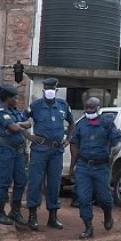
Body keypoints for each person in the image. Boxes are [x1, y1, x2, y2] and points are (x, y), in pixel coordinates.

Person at [70, 97, 121, 239]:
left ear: (98, 108)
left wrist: (114, 151)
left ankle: (107, 214)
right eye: (87, 108)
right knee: (83, 198)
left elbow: (117, 141)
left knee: (104, 198)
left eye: (92, 108)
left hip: (101, 166)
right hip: (83, 166)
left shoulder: (107, 124)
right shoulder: (81, 125)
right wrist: (72, 166)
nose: (89, 110)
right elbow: (74, 144)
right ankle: (88, 227)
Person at [24, 77, 74, 230]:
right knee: (35, 182)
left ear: (56, 90)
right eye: (47, 88)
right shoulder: (35, 106)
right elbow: (20, 121)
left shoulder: (63, 105)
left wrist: (68, 139)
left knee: (54, 183)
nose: (50, 91)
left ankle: (53, 216)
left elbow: (72, 123)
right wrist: (29, 136)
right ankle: (32, 216)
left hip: (57, 151)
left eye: (53, 88)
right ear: (44, 90)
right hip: (39, 150)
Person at [0, 85, 32, 225]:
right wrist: (20, 125)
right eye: (14, 97)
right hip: (5, 150)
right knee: (4, 182)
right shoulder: (0, 111)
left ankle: (15, 211)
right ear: (8, 98)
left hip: (18, 150)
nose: (16, 100)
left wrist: (19, 124)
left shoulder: (15, 111)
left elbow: (28, 123)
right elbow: (14, 128)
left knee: (21, 180)